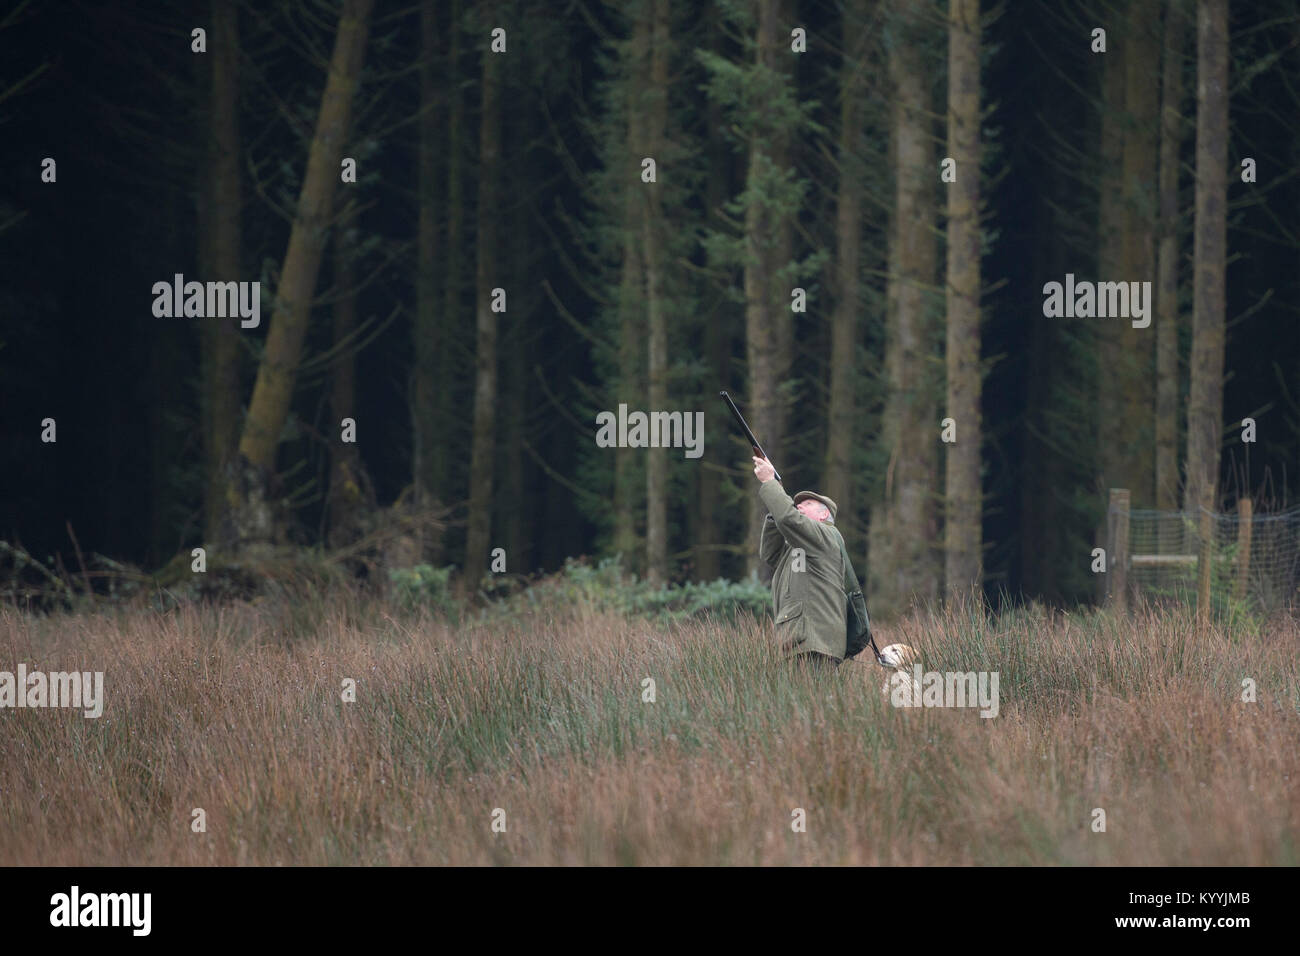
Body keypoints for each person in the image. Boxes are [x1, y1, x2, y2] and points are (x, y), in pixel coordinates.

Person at [753, 455, 847, 674]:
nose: (799, 506)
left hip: (815, 644)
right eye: (797, 504)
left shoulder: (826, 535)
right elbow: (769, 554)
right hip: (799, 641)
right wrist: (776, 507)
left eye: (808, 504)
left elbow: (789, 520)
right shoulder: (800, 546)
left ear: (825, 514)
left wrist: (770, 484)